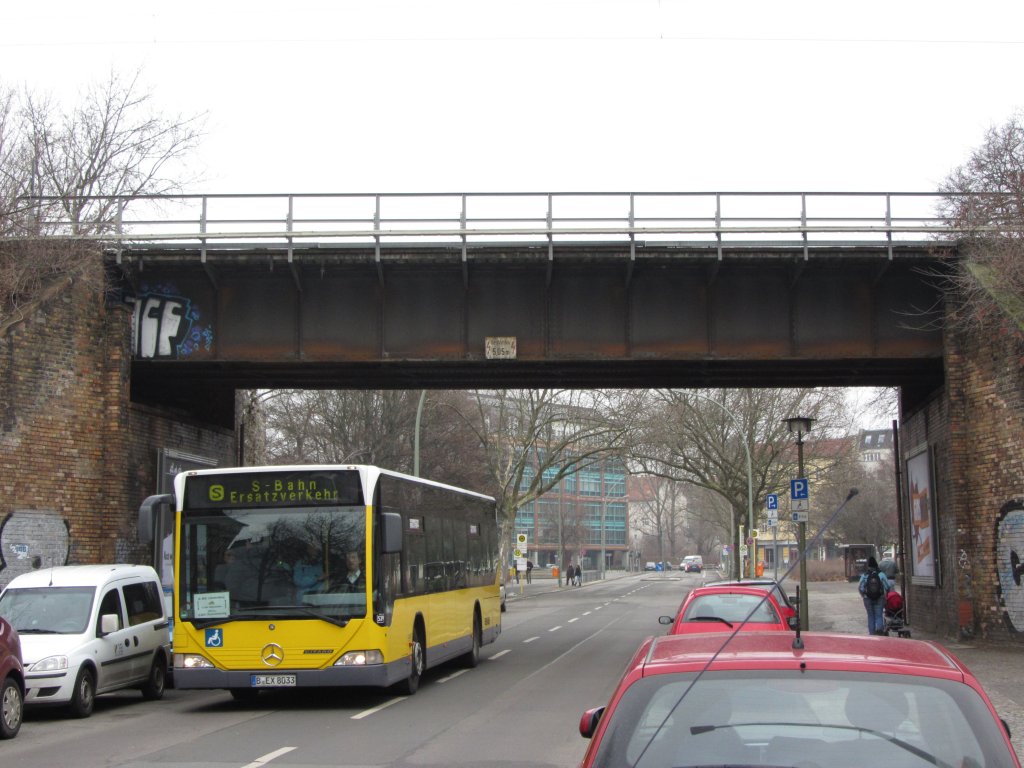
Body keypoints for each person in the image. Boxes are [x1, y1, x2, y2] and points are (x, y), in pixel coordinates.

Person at [858, 555, 893, 634]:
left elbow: (860, 587)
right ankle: (880, 634)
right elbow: (888, 586)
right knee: (878, 615)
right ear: (876, 565)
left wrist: (863, 595)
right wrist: (885, 595)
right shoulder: (881, 574)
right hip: (880, 598)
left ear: (868, 565)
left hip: (867, 598)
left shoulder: (865, 575)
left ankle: (872, 635)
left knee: (871, 617)